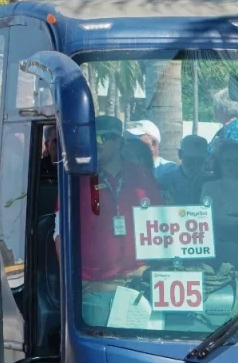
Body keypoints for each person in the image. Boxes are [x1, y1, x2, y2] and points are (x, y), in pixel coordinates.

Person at [53, 116, 162, 283]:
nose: (95, 143)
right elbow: (60, 234)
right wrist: (72, 281)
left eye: (101, 138)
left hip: (136, 277)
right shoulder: (76, 178)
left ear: (118, 141)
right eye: (92, 138)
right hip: (91, 283)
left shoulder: (141, 175)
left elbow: (160, 222)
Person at [158, 134, 209, 205]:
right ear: (180, 154)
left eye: (200, 160)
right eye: (191, 160)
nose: (195, 164)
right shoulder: (166, 181)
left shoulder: (210, 181)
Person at [209, 88, 238, 153]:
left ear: (224, 107)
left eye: (215, 105)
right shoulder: (229, 127)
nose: (214, 109)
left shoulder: (237, 130)